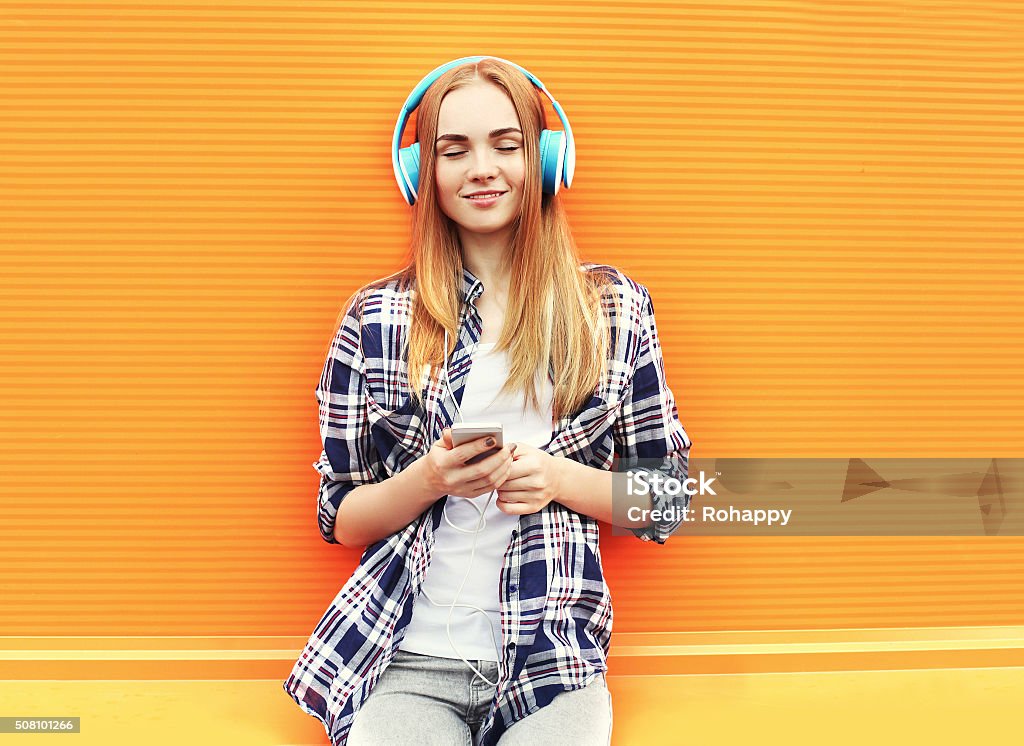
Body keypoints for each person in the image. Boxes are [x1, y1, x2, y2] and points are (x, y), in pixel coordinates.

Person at [282, 56, 693, 746]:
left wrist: (560, 479)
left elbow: (673, 500)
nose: (482, 168)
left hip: (551, 665)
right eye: (455, 149)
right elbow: (341, 518)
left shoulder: (615, 309)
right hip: (406, 659)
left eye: (507, 144)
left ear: (546, 159)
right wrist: (426, 480)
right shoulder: (376, 317)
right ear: (422, 172)